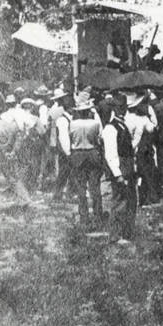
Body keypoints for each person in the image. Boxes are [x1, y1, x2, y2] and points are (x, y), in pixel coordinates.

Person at [59, 92, 104, 227]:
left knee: (81, 187)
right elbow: (99, 139)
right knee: (95, 186)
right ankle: (97, 214)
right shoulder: (95, 123)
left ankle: (83, 215)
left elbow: (69, 139)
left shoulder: (72, 124)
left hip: (78, 154)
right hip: (92, 153)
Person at [101, 93, 137, 242]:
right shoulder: (110, 128)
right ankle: (115, 235)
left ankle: (126, 233)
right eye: (120, 107)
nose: (123, 109)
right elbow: (110, 154)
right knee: (119, 202)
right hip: (120, 168)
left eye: (125, 106)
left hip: (128, 166)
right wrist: (118, 174)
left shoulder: (122, 124)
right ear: (114, 109)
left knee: (130, 201)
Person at [126, 92, 160, 206]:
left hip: (129, 149)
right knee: (146, 173)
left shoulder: (125, 119)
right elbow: (152, 129)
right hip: (142, 149)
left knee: (134, 174)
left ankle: (136, 197)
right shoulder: (142, 119)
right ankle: (149, 195)